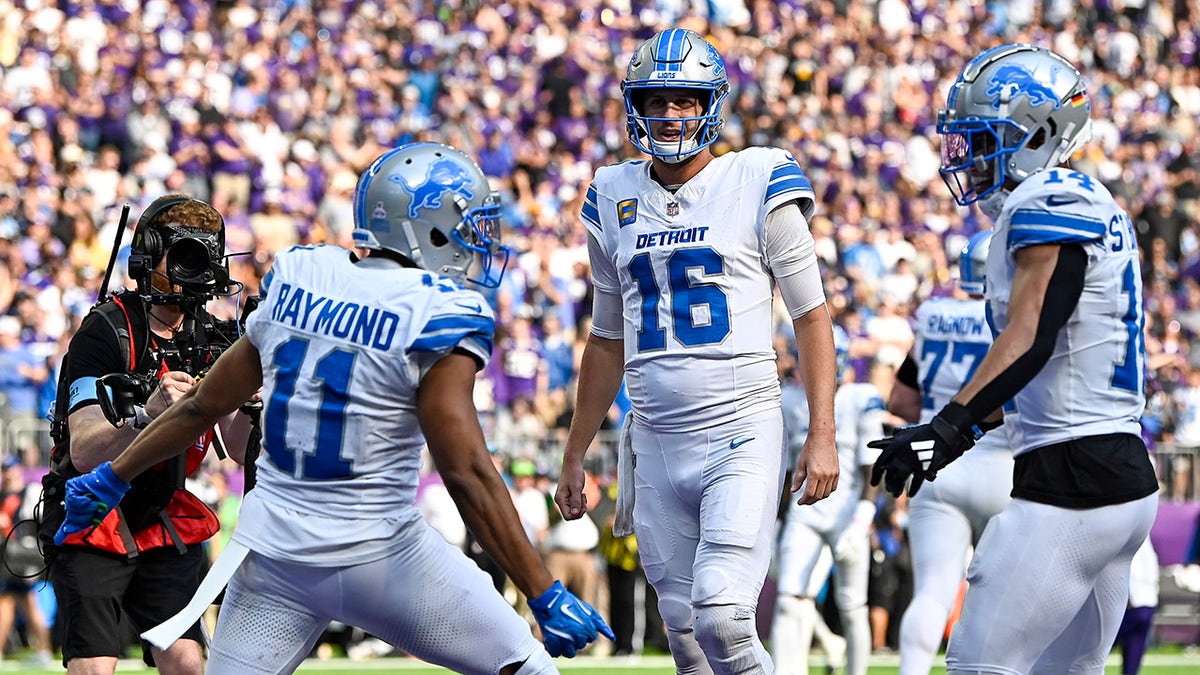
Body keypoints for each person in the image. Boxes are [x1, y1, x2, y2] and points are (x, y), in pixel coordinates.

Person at [56, 142, 613, 675]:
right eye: (464, 225)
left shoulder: (304, 274)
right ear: (425, 227)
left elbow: (202, 406)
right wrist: (543, 592)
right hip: (381, 553)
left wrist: (110, 478)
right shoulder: (439, 311)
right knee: (526, 666)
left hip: (275, 559)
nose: (474, 241)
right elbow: (465, 471)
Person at [554, 28, 840, 675]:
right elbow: (605, 336)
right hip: (654, 436)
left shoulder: (758, 176)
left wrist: (821, 432)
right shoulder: (612, 193)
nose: (671, 114)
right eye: (658, 100)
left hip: (740, 425)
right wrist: (575, 451)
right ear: (636, 106)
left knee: (723, 615)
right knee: (683, 635)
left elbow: (811, 315)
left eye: (686, 100)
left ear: (711, 103)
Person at [869, 44, 1159, 673]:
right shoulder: (1088, 199)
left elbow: (1030, 338)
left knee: (980, 666)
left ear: (1040, 132)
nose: (970, 155)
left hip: (1070, 478)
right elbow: (1058, 368)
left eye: (985, 137)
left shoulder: (1047, 201)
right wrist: (962, 425)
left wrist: (945, 431)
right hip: (1114, 469)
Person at [41, 193, 255, 675]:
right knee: (95, 665)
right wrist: (146, 413)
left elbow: (239, 449)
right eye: (182, 254)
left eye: (204, 255)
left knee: (186, 661)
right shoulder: (106, 330)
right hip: (93, 511)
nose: (193, 268)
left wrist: (254, 394)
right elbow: (84, 449)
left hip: (162, 513)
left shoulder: (217, 338)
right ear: (146, 257)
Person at [889, 230, 1014, 675]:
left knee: (932, 593)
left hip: (935, 466)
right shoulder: (1008, 314)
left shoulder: (933, 315)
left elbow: (900, 401)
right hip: (1003, 464)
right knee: (1005, 598)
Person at [772, 325, 885, 675]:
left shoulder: (860, 397)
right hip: (804, 511)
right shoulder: (787, 399)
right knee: (789, 599)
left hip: (847, 508)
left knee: (853, 605)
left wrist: (863, 517)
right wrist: (776, 522)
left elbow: (873, 464)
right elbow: (786, 469)